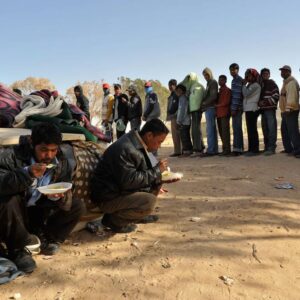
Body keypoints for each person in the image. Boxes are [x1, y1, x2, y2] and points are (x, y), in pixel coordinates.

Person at [0, 123, 84, 273]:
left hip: (39, 211)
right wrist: (27, 174)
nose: (49, 156)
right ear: (32, 143)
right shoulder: (10, 156)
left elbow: (66, 186)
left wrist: (59, 197)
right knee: (8, 200)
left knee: (77, 205)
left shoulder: (62, 161)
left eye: (53, 150)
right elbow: (2, 185)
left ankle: (45, 238)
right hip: (16, 212)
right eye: (44, 150)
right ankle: (18, 249)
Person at [90, 119, 169, 233]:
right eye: (159, 142)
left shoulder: (138, 143)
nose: (159, 146)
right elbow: (129, 181)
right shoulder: (126, 148)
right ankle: (113, 221)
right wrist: (157, 171)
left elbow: (142, 173)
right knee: (148, 201)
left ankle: (135, 216)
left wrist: (157, 179)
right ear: (149, 135)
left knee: (156, 182)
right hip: (108, 197)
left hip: (119, 190)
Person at [180, 73, 205, 156]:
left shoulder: (198, 86)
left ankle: (198, 150)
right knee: (195, 130)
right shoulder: (192, 87)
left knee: (196, 131)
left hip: (197, 110)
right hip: (193, 111)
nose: (188, 80)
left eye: (190, 78)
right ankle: (199, 147)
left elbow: (198, 98)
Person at [279, 65, 300, 158]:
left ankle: (298, 150)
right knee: (285, 130)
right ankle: (289, 149)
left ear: (289, 72)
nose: (282, 72)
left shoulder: (291, 82)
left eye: (284, 71)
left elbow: (292, 97)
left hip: (291, 110)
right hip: (285, 111)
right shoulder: (286, 82)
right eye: (282, 71)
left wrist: (288, 109)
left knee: (293, 131)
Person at [258, 68, 280, 155]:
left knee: (271, 129)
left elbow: (276, 96)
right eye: (263, 74)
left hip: (270, 110)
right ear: (261, 75)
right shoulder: (261, 86)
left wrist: (264, 102)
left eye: (267, 74)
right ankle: (267, 147)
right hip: (263, 111)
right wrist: (260, 103)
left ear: (269, 75)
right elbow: (259, 100)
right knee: (265, 129)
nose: (265, 75)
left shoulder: (272, 84)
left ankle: (271, 148)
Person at [242, 68, 261, 156]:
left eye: (249, 76)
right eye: (246, 76)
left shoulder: (256, 85)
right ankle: (251, 148)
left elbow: (246, 94)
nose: (247, 77)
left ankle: (255, 149)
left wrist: (243, 85)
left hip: (252, 109)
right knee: (250, 130)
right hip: (248, 109)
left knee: (253, 130)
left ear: (254, 76)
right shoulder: (250, 85)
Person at [201, 68, 219, 156]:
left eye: (207, 75)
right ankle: (213, 149)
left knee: (210, 130)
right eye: (204, 75)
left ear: (210, 74)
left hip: (211, 108)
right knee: (211, 129)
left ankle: (211, 150)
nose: (205, 77)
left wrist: (204, 103)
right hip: (209, 108)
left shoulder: (213, 82)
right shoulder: (208, 83)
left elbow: (213, 96)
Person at [229, 63, 244, 156]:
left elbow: (237, 95)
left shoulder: (238, 80)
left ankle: (237, 149)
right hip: (236, 107)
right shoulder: (234, 80)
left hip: (237, 107)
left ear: (238, 70)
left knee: (237, 128)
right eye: (230, 70)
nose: (232, 71)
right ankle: (239, 148)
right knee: (236, 128)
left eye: (234, 70)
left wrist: (233, 108)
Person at [216, 75, 231, 156]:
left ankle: (227, 150)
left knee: (225, 132)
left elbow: (226, 102)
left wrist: (217, 105)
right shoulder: (220, 91)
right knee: (221, 132)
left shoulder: (227, 90)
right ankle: (224, 149)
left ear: (225, 81)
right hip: (219, 114)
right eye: (219, 80)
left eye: (222, 80)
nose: (220, 81)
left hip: (224, 114)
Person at [176, 84, 192, 156]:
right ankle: (188, 150)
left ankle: (187, 151)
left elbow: (182, 110)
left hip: (184, 121)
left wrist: (179, 121)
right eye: (177, 91)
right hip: (186, 120)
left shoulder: (182, 98)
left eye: (179, 90)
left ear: (183, 91)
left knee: (184, 136)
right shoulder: (184, 98)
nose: (178, 92)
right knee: (186, 136)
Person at [167, 79, 181, 157]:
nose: (169, 87)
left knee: (177, 134)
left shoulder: (177, 94)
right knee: (174, 134)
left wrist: (175, 114)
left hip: (176, 116)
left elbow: (178, 106)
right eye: (169, 85)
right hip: (172, 116)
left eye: (171, 85)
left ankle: (178, 151)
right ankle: (177, 150)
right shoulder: (172, 95)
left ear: (174, 85)